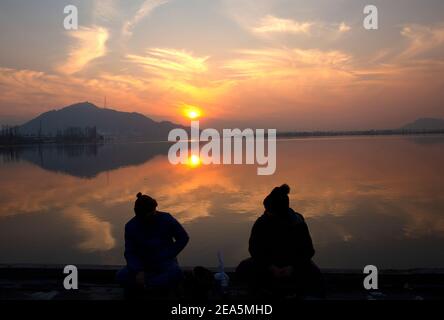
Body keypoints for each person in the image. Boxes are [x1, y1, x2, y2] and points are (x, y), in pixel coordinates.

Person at [236, 184, 323, 298]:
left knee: (315, 274)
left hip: (294, 265)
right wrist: (271, 267)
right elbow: (254, 250)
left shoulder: (298, 223)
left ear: (281, 212)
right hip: (268, 264)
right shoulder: (262, 222)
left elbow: (308, 251)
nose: (266, 212)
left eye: (269, 210)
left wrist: (292, 267)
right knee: (242, 268)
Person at [117, 192, 189, 296]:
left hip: (164, 262)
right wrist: (138, 270)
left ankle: (148, 286)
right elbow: (130, 252)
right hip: (143, 263)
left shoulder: (166, 218)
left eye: (153, 212)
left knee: (175, 273)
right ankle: (153, 285)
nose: (153, 214)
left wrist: (168, 254)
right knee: (120, 276)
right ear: (138, 214)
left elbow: (183, 238)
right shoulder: (130, 226)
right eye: (149, 214)